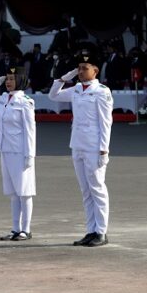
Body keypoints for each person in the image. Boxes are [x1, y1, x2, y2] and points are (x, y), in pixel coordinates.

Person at [49, 55, 113, 247]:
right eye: (79, 68)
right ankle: (90, 230)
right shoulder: (76, 89)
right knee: (86, 191)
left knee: (97, 189)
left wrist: (104, 149)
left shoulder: (101, 91)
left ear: (95, 71)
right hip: (77, 144)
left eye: (85, 68)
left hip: (94, 146)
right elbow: (53, 95)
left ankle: (101, 232)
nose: (81, 71)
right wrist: (63, 79)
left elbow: (105, 122)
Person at [0, 67, 36, 241]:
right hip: (4, 148)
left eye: (11, 79)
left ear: (20, 81)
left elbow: (30, 130)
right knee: (12, 192)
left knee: (24, 192)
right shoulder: (3, 98)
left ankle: (26, 229)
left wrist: (30, 154)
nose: (8, 82)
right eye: (7, 79)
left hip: (20, 150)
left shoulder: (25, 102)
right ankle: (15, 228)